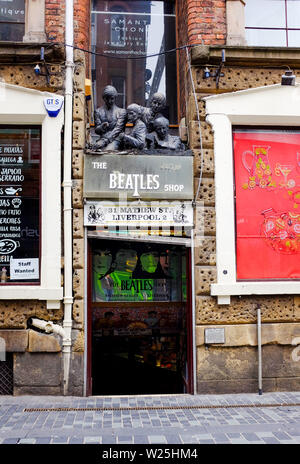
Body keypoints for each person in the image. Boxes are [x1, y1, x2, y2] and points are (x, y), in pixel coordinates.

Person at [93, 85, 126, 150]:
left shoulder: (121, 112)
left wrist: (105, 141)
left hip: (116, 140)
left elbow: (118, 129)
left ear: (115, 98)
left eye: (112, 98)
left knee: (108, 150)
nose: (109, 101)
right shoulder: (98, 111)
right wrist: (101, 127)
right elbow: (96, 130)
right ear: (103, 98)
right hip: (102, 139)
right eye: (107, 98)